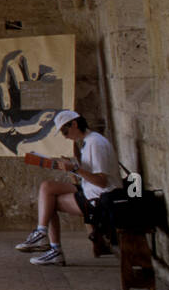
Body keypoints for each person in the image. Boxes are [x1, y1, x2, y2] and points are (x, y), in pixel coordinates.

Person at [14, 111, 120, 266]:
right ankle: (41, 233)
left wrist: (75, 169)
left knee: (49, 203)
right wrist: (71, 167)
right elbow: (91, 173)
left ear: (74, 124)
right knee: (47, 187)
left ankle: (54, 249)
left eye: (65, 131)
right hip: (90, 188)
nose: (65, 136)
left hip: (101, 197)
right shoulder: (88, 141)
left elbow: (102, 182)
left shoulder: (95, 143)